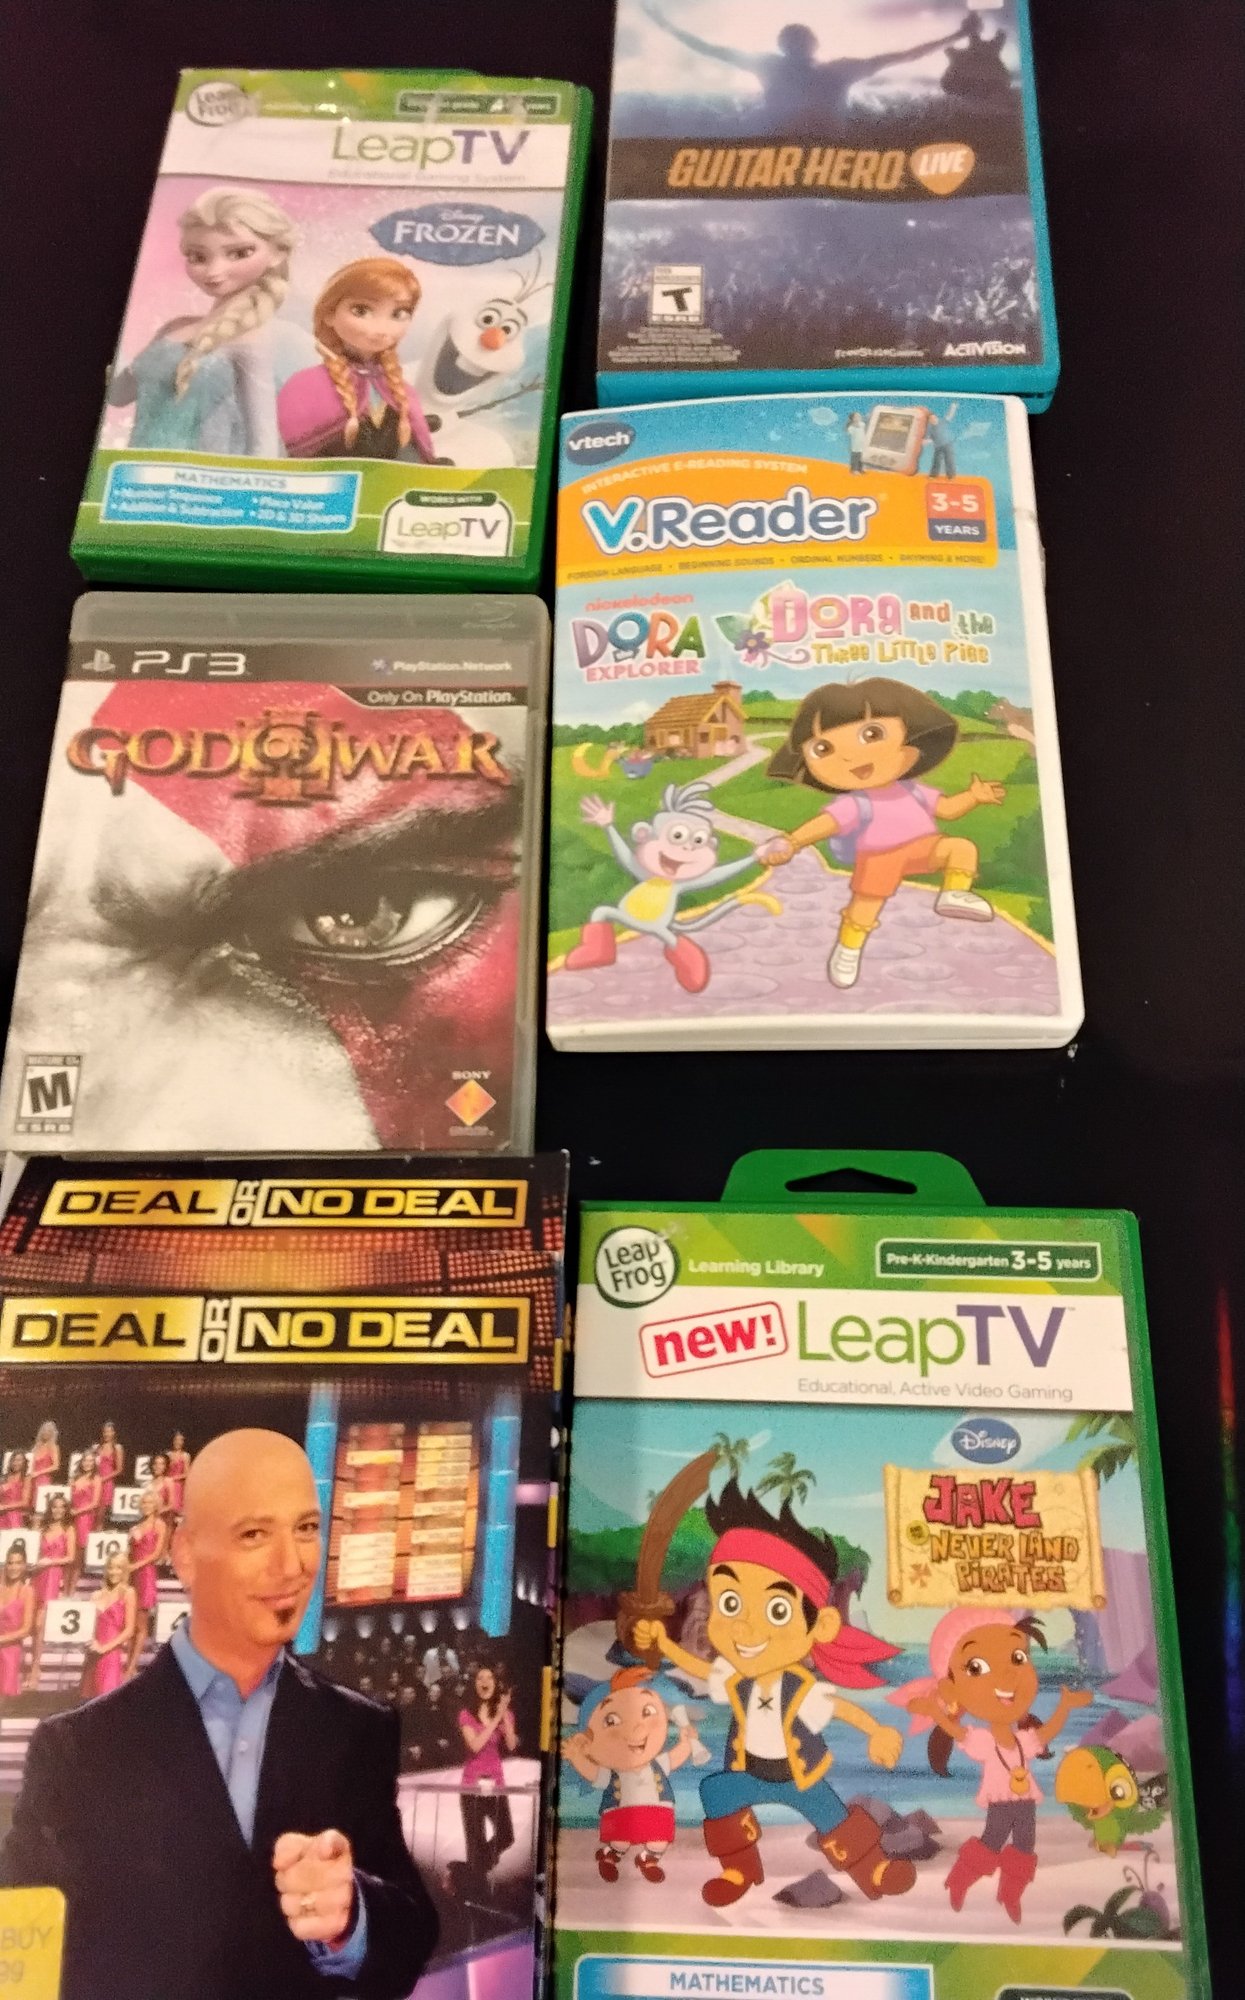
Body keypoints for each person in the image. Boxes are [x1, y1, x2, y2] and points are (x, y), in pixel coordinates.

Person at [1, 1428, 438, 2000]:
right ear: (185, 1555)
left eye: (306, 1529)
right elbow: (25, 1950)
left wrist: (351, 1916)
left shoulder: (358, 1730)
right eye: (255, 1534)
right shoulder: (78, 1749)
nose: (292, 1565)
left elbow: (410, 1939)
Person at [635, 1478, 914, 1908]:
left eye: (777, 1610)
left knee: (832, 1816)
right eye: (730, 1603)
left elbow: (837, 1707)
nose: (745, 1627)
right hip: (750, 1773)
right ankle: (739, 1868)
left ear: (821, 1626)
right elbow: (702, 1668)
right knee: (717, 1793)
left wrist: (876, 1731)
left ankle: (874, 1868)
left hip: (797, 1776)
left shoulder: (799, 1688)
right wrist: (664, 1644)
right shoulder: (737, 1680)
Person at [762, 678, 1006, 990]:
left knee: (961, 848)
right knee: (865, 907)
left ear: (911, 736)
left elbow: (946, 809)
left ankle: (954, 894)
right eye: (823, 749)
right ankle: (848, 949)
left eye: (872, 734)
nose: (849, 756)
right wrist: (793, 842)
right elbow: (826, 824)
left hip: (924, 847)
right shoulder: (856, 803)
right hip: (879, 858)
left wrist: (973, 797)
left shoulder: (914, 790)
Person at [890, 1606, 1091, 1923]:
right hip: (1000, 1802)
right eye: (977, 1666)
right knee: (992, 1842)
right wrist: (936, 1711)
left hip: (1025, 1801)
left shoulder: (1023, 1739)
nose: (1008, 1674)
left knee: (1025, 1846)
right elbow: (957, 1731)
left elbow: (1046, 1733)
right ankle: (959, 1880)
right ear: (951, 1688)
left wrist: (1064, 1706)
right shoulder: (983, 1741)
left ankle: (1010, 1893)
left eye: (1018, 1658)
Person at [107, 187, 297, 455]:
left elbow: (262, 443)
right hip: (141, 468)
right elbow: (118, 395)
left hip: (206, 471)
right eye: (198, 257)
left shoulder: (252, 341)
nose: (214, 271)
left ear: (277, 253)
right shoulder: (174, 328)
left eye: (240, 253)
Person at [641, 1, 960, 132]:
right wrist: (664, 25)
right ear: (785, 47)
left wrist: (956, 36)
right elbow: (708, 49)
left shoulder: (836, 70)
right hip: (787, 142)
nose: (797, 46)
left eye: (800, 40)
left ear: (813, 45)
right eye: (793, 41)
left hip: (820, 145)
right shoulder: (775, 66)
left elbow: (906, 56)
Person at [278, 259, 436, 462]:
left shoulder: (402, 391)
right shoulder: (304, 386)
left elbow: (411, 456)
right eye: (361, 311)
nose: (382, 328)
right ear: (329, 314)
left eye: (399, 313)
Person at [456, 1665, 518, 1887]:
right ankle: (476, 1886)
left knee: (506, 1835)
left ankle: (475, 1869)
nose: (485, 1681)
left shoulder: (504, 1714)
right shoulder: (466, 1714)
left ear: (495, 1683)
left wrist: (504, 1716)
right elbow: (475, 1745)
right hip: (471, 1786)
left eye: (489, 1677)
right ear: (474, 1685)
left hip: (496, 1784)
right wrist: (495, 1719)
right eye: (480, 1678)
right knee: (475, 1843)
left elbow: (511, 1745)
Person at [28, 1493, 73, 1689]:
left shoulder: (68, 1529)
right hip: (37, 1576)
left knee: (39, 1625)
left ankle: (35, 1668)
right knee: (32, 1624)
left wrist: (51, 1561)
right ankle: (31, 1663)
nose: (58, 1510)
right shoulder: (43, 1528)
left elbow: (70, 1557)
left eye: (62, 1507)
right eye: (55, 1506)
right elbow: (32, 1551)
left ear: (66, 1509)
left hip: (52, 1577)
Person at [81, 1550, 137, 1701]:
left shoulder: (128, 1593)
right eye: (111, 1567)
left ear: (124, 1570)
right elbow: (88, 1626)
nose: (113, 1572)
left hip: (111, 1654)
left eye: (118, 1568)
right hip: (93, 1652)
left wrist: (104, 1648)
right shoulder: (96, 1595)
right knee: (89, 1700)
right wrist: (91, 1644)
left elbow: (129, 1630)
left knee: (107, 1698)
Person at [125, 1486, 168, 1678]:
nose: (146, 1505)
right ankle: (128, 1662)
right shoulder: (136, 1526)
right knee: (131, 1622)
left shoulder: (159, 1525)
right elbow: (129, 1554)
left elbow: (156, 1554)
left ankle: (132, 1665)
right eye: (144, 1502)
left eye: (150, 1502)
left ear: (156, 1505)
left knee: (141, 1625)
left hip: (146, 1574)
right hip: (132, 1574)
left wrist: (136, 1566)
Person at [0, 1545, 35, 1702]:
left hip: (10, 1650)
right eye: (10, 1563)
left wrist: (1, 1640)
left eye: (18, 1563)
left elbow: (26, 1629)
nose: (14, 1567)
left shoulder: (27, 1591)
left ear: (24, 1565)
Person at [69, 1448, 103, 1589]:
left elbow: (95, 1503)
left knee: (78, 1555)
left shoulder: (96, 1479)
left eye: (90, 1461)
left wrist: (77, 1511)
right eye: (85, 1460)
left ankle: (72, 1589)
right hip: (71, 1517)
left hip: (85, 1518)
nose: (87, 1463)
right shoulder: (75, 1478)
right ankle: (66, 1587)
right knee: (69, 1552)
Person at [95, 1421, 124, 1516]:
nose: (107, 1434)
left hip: (107, 1482)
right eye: (105, 1432)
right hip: (96, 1480)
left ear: (114, 1433)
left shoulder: (117, 1448)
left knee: (102, 1512)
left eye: (109, 1431)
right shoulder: (98, 1447)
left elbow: (119, 1469)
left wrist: (103, 1479)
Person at [924, 402, 959, 477]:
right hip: (938, 446)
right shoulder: (929, 427)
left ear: (936, 417)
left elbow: (950, 415)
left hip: (947, 444)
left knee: (949, 459)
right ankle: (933, 475)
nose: (933, 420)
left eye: (934, 418)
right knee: (936, 460)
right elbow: (927, 438)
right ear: (929, 420)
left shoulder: (943, 421)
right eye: (931, 419)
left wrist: (953, 407)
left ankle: (951, 476)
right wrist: (925, 442)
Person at [0, 1451, 31, 1528]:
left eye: (19, 1460)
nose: (16, 1463)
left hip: (14, 1516)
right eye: (14, 1460)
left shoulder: (26, 1479)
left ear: (24, 1462)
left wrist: (5, 1507)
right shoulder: (4, 1478)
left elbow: (25, 1502)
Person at [30, 1421, 59, 1499]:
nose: (46, 1433)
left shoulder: (53, 1447)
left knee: (39, 1500)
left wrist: (38, 1473)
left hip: (43, 1479)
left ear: (52, 1434)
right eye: (44, 1430)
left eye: (48, 1431)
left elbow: (55, 1466)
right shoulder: (36, 1446)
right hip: (31, 1478)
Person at [168, 1431, 192, 1515]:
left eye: (180, 1440)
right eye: (176, 1440)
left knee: (176, 1509)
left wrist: (174, 1478)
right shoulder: (168, 1454)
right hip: (167, 1484)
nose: (178, 1442)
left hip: (178, 1485)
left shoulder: (185, 1456)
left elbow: (187, 1474)